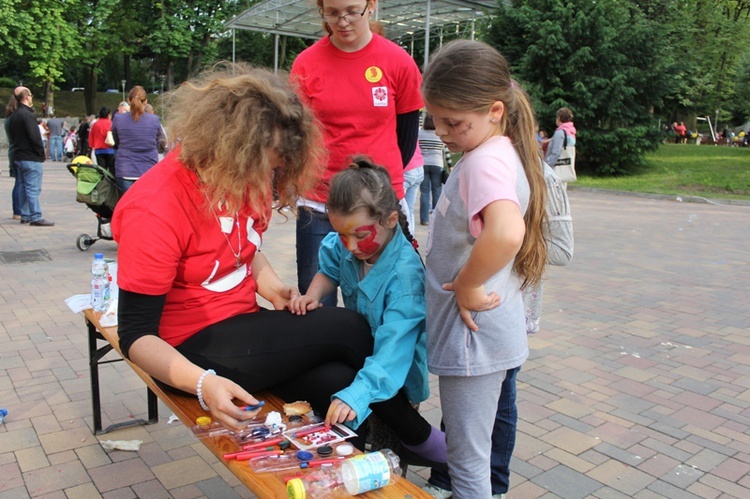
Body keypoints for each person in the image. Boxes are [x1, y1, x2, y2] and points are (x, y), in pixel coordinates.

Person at [111, 65, 443, 466]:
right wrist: (204, 383)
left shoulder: (234, 178)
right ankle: (417, 439)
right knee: (348, 328)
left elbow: (242, 251)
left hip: (240, 331)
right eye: (270, 165)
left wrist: (272, 287)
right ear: (237, 149)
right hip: (187, 355)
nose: (274, 177)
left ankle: (357, 468)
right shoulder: (156, 207)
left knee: (337, 379)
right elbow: (135, 336)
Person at [420, 39, 548, 498]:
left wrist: (468, 283)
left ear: (495, 111)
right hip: (482, 338)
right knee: (471, 453)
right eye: (434, 119)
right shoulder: (494, 152)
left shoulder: (485, 163)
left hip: (473, 341)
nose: (442, 132)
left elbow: (506, 233)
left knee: (468, 462)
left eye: (454, 122)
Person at [288, 157, 446, 463]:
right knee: (359, 443)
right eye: (341, 234)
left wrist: (358, 394)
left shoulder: (405, 280)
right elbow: (329, 269)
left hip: (392, 380)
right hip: (361, 362)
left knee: (388, 453)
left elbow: (393, 355)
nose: (349, 245)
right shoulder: (349, 242)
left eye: (359, 236)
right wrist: (313, 295)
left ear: (389, 219)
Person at [290, 0, 423, 307]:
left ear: (371, 5)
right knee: (314, 296)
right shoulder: (307, 63)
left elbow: (406, 137)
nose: (343, 21)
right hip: (319, 202)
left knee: (388, 296)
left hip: (377, 204)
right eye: (333, 13)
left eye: (352, 11)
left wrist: (374, 184)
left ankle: (381, 354)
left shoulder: (397, 61)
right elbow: (300, 134)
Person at [7, 87, 55, 226]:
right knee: (33, 187)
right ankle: (35, 216)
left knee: (22, 185)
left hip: (19, 155)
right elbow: (34, 137)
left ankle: (25, 214)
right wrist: (41, 153)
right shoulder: (27, 115)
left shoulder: (14, 115)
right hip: (30, 156)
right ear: (27, 97)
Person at [110, 85, 165, 193]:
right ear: (145, 102)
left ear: (128, 101)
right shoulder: (154, 120)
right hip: (148, 169)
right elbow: (161, 142)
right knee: (146, 205)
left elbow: (116, 141)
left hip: (125, 170)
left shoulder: (118, 119)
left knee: (127, 205)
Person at [418, 113, 444, 226]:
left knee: (424, 192)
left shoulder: (420, 134)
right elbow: (445, 152)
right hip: (437, 164)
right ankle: (436, 219)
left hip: (423, 164)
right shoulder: (439, 135)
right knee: (437, 191)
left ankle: (424, 219)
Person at [5, 95, 23, 220]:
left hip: (13, 151)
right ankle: (18, 210)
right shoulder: (16, 118)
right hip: (19, 152)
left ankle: (17, 210)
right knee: (20, 183)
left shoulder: (8, 118)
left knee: (18, 182)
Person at [402, 144, 424, 234]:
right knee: (409, 210)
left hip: (406, 169)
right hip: (418, 167)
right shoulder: (412, 131)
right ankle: (411, 240)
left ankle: (406, 239)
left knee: (400, 209)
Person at [88, 107, 115, 174]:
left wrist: (91, 146)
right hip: (110, 149)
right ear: (108, 114)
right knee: (112, 170)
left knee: (102, 170)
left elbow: (91, 136)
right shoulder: (111, 123)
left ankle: (103, 182)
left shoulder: (95, 124)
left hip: (99, 150)